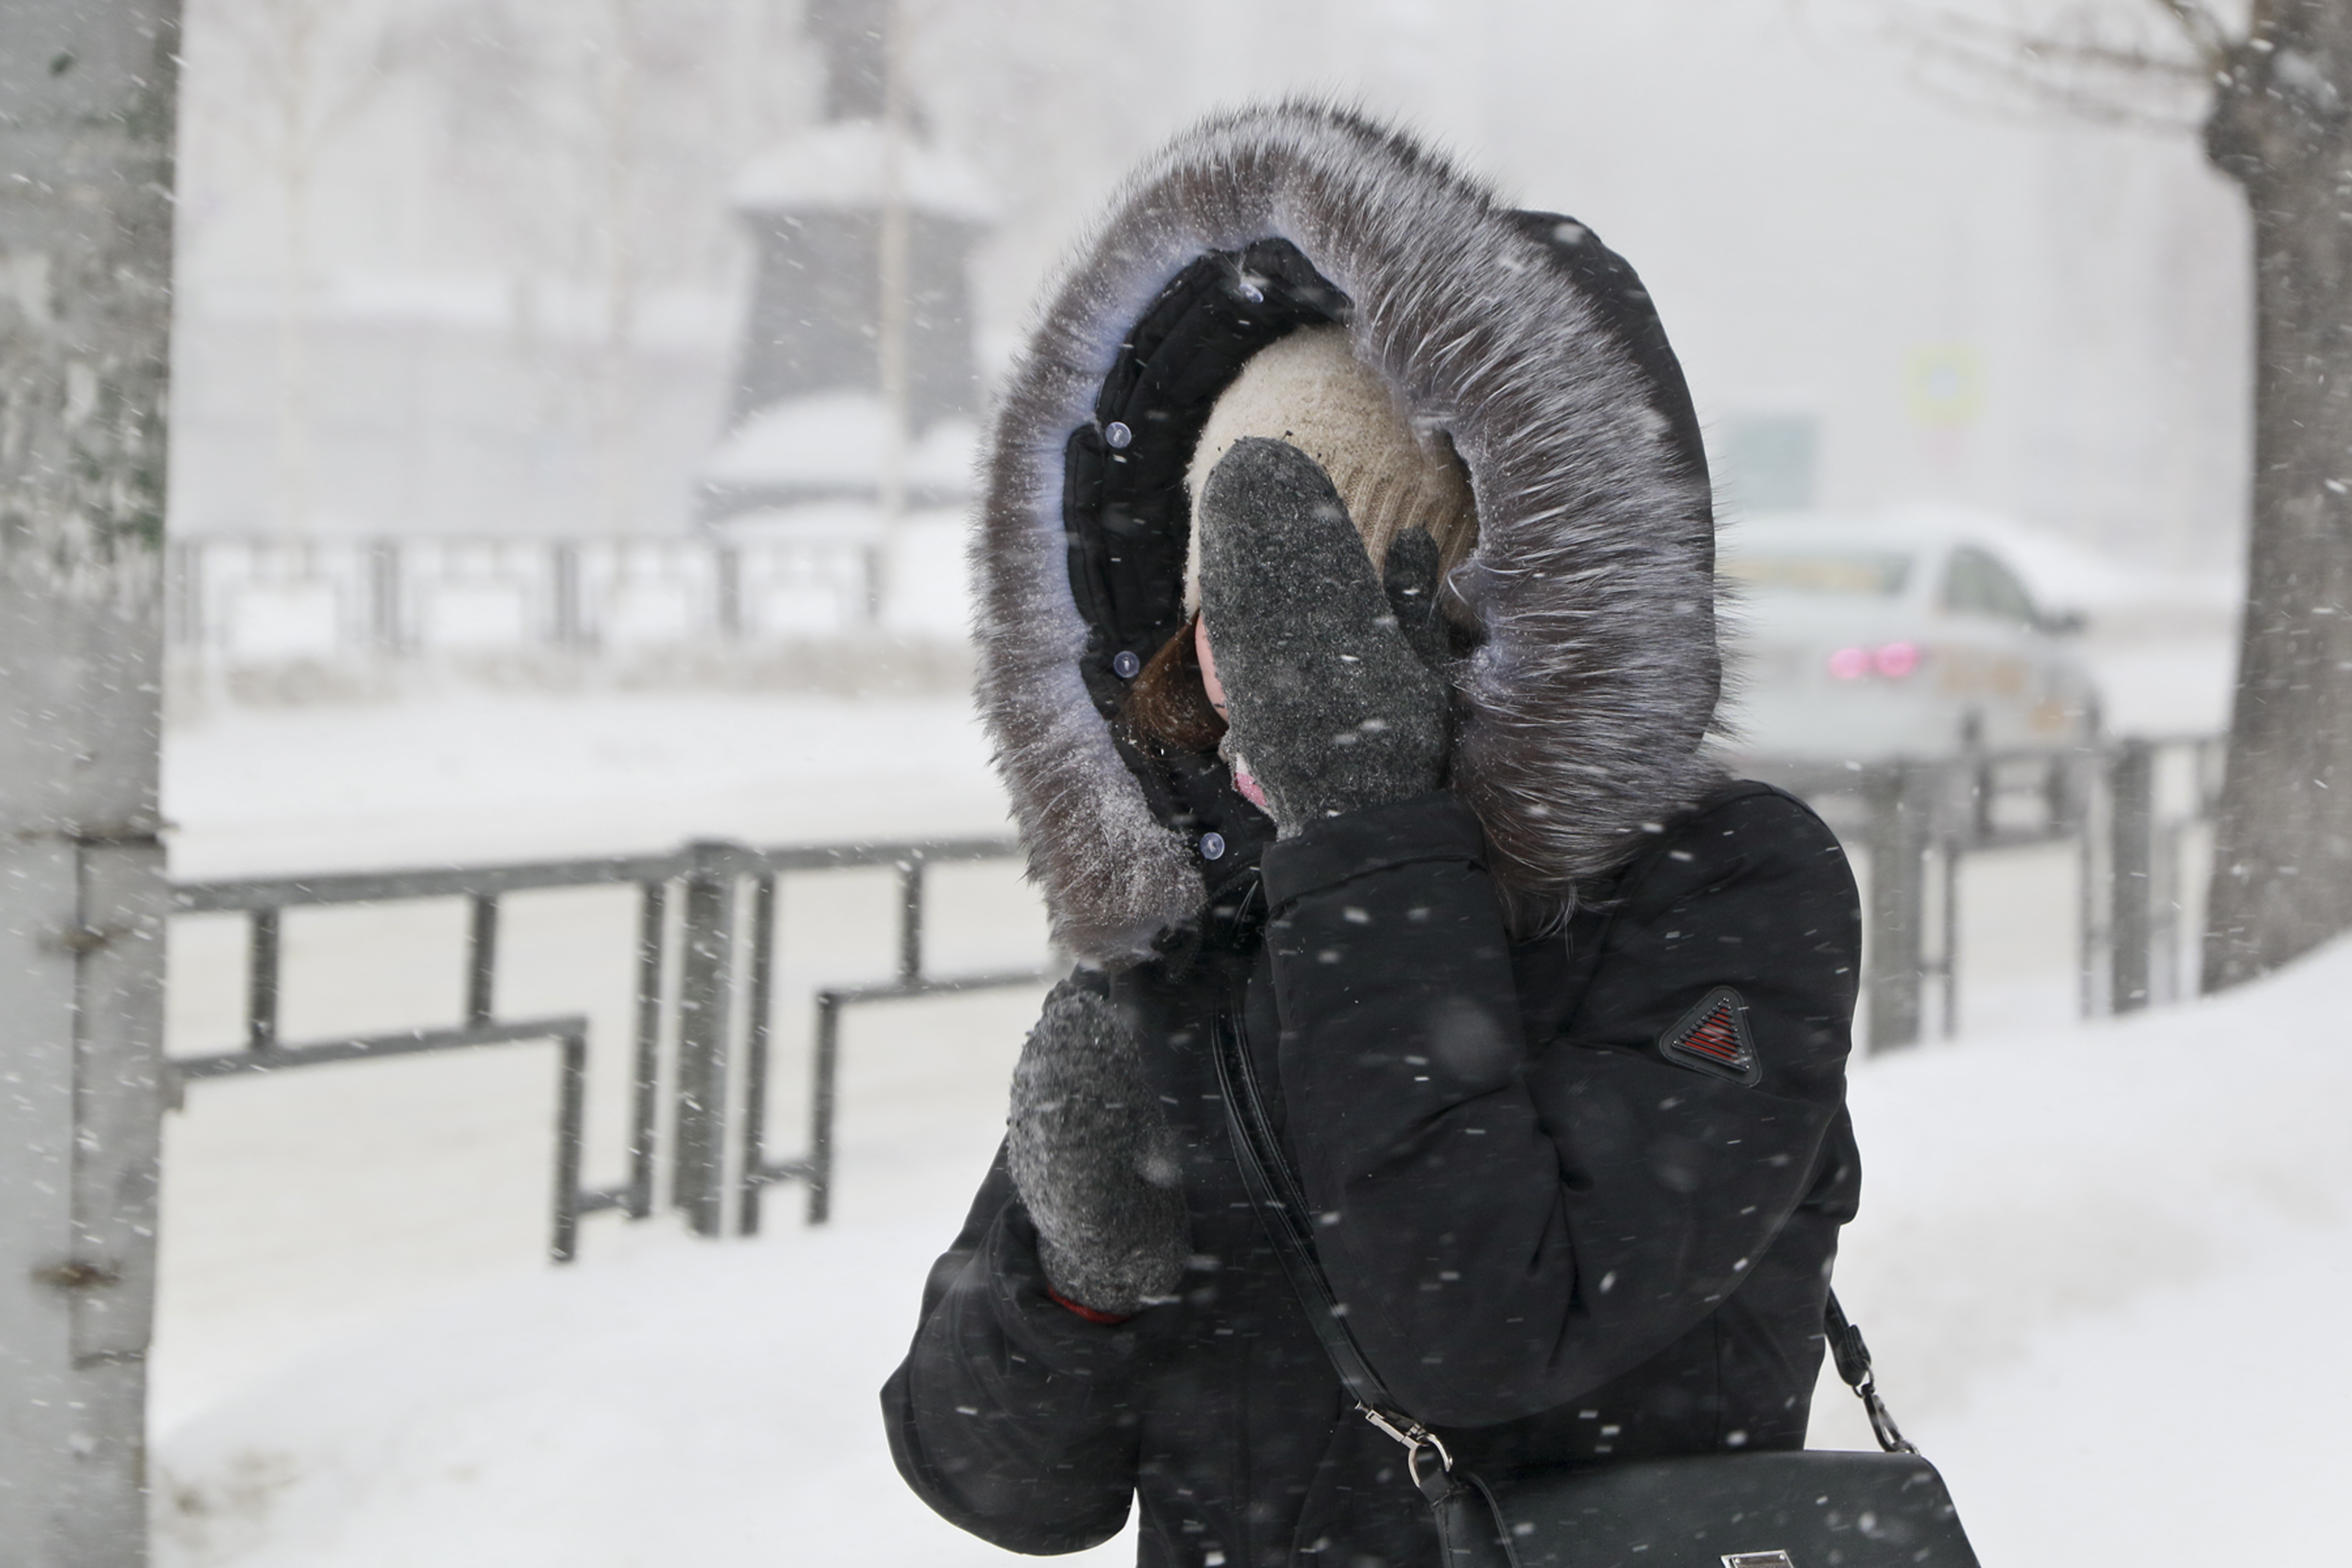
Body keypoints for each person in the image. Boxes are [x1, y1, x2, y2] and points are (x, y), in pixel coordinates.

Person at [882, 101, 1862, 1568]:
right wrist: (1071, 1281)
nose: (1257, 665)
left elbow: (1484, 1334)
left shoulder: (1720, 888)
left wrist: (1366, 824)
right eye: (1230, 610)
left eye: (1326, 603)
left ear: (1480, 600)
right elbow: (1009, 1492)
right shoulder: (1201, 908)